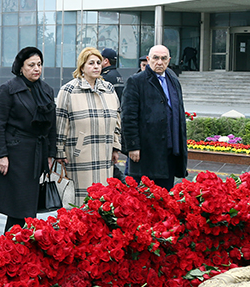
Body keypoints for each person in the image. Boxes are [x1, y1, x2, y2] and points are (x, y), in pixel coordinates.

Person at [0, 46, 57, 231]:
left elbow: (52, 125)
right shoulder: (8, 89)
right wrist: (1, 155)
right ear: (21, 67)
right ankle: (14, 242)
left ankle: (17, 242)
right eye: (31, 65)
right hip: (15, 154)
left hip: (37, 154)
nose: (36, 68)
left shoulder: (46, 90)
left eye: (39, 64)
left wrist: (50, 154)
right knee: (19, 205)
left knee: (27, 205)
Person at [55, 47, 121, 204]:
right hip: (79, 155)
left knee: (102, 201)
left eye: (98, 62)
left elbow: (117, 119)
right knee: (80, 202)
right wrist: (59, 151)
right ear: (82, 66)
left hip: (105, 154)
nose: (96, 66)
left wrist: (115, 146)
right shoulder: (69, 90)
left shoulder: (109, 89)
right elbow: (61, 122)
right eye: (91, 63)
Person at [121, 44, 188, 190]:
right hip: (146, 152)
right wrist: (132, 146)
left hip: (170, 151)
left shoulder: (173, 80)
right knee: (143, 196)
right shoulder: (136, 81)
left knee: (165, 195)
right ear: (148, 59)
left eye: (163, 58)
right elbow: (128, 117)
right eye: (155, 58)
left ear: (169, 60)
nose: (159, 62)